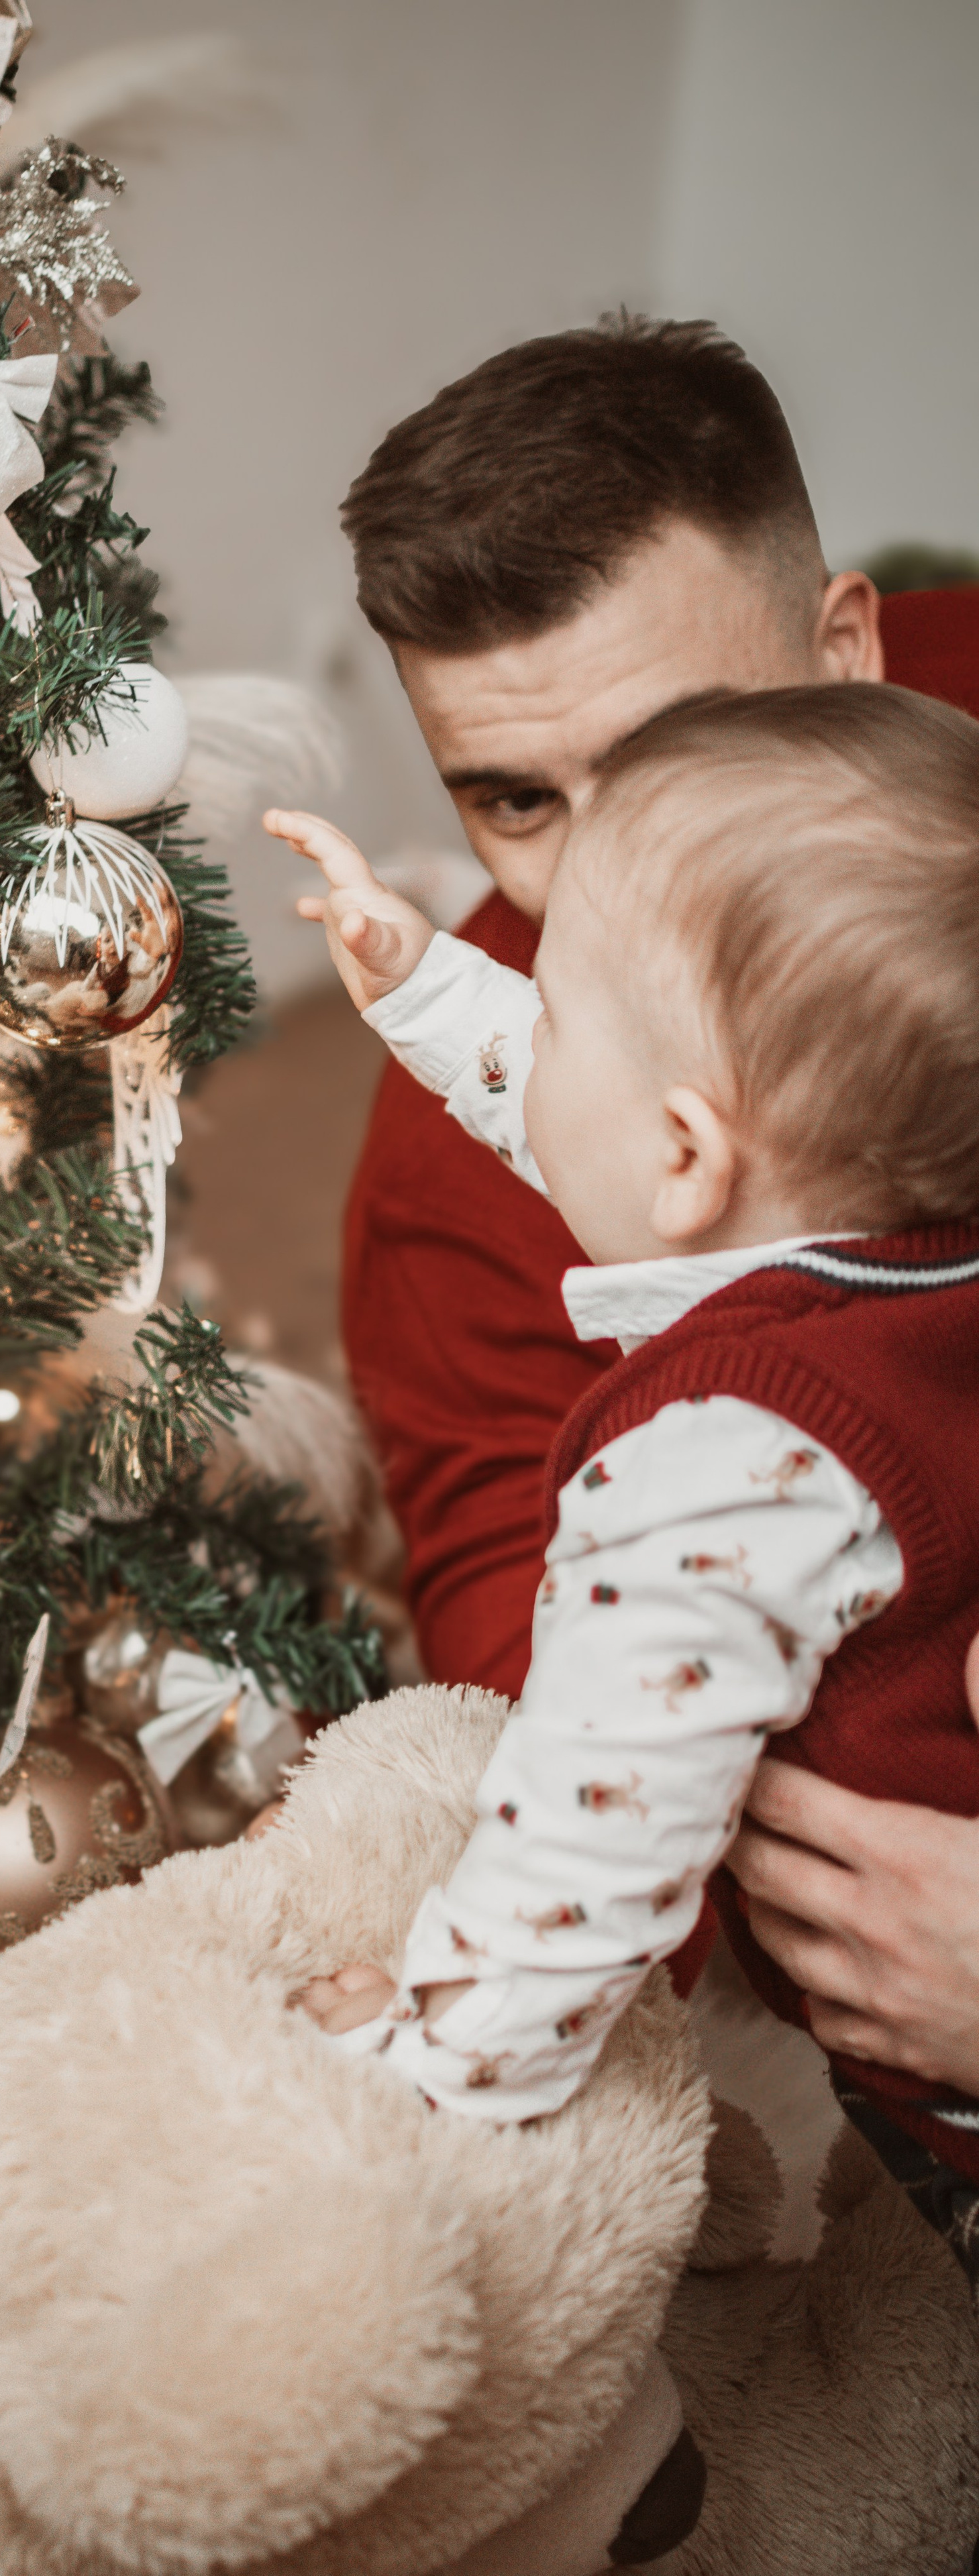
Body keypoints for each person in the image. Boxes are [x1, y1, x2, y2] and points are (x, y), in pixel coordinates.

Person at [336, 313, 979, 2102]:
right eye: (515, 802)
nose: (605, 878)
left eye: (687, 745)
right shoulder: (473, 1154)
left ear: (847, 648)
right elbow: (569, 1744)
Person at [265, 683, 979, 2268]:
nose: (534, 1051)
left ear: (680, 1157)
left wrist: (433, 2071)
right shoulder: (900, 1260)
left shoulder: (727, 1467)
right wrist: (426, 989)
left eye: (555, 1013)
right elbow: (619, 1135)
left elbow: (595, 1833)